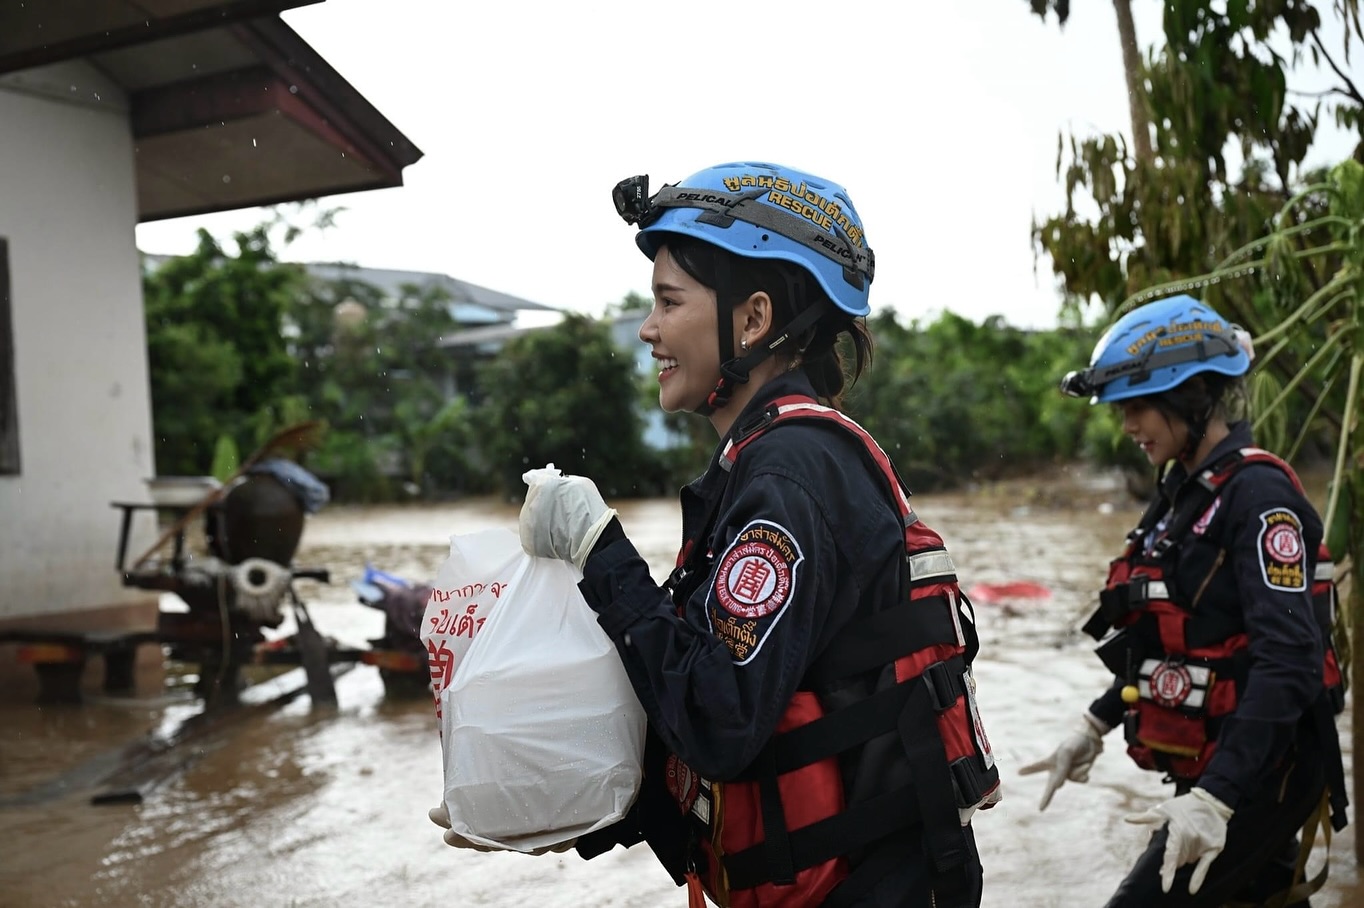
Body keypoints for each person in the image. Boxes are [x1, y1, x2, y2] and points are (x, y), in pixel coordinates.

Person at [513, 161, 1002, 908]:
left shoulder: (791, 474)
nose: (647, 329)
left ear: (752, 319)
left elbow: (718, 718)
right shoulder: (766, 462)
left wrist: (600, 550)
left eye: (668, 301)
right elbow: (715, 704)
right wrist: (563, 810)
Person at [1022, 294, 1348, 906]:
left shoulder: (1257, 497)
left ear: (1189, 397)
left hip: (1262, 770)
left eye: (1138, 407)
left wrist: (1218, 797)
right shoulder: (1183, 494)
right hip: (1217, 766)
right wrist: (1096, 721)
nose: (1127, 426)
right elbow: (1170, 637)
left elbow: (1290, 661)